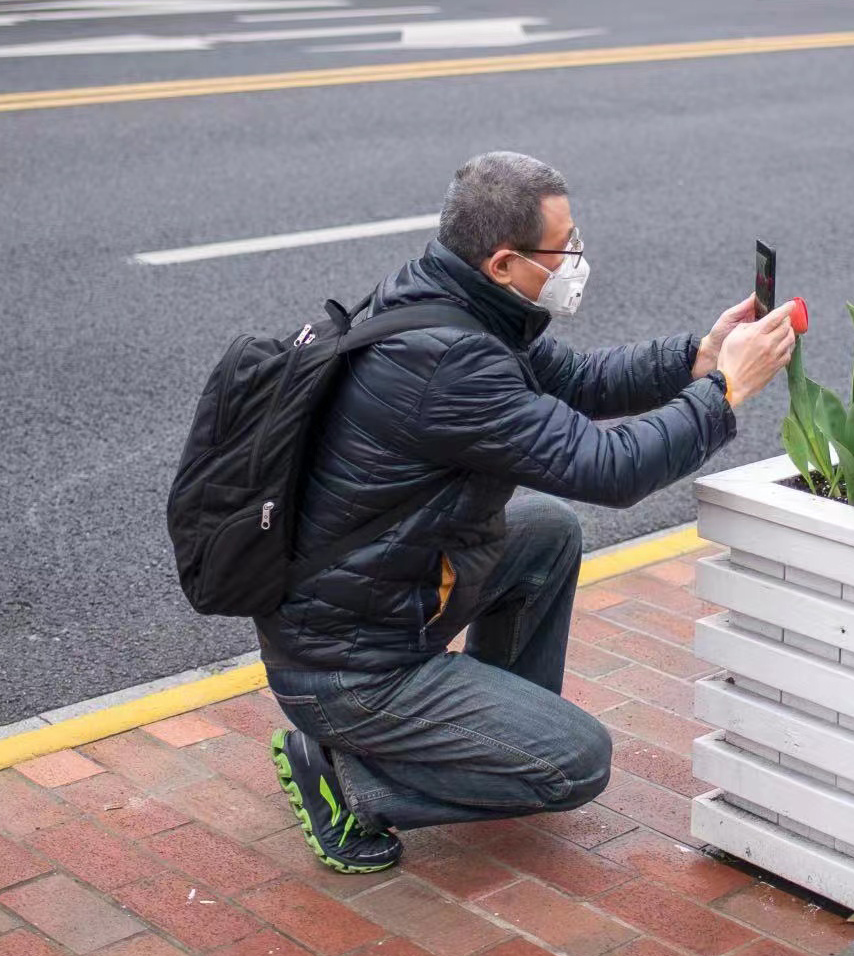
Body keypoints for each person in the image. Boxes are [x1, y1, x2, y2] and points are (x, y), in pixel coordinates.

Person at [262, 151, 798, 874]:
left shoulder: (448, 302)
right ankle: (345, 776)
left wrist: (697, 359)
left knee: (545, 532)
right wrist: (725, 394)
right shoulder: (449, 364)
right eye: (565, 246)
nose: (578, 257)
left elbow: (575, 381)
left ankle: (483, 730)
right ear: (506, 262)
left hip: (373, 606)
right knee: (575, 766)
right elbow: (609, 468)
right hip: (349, 668)